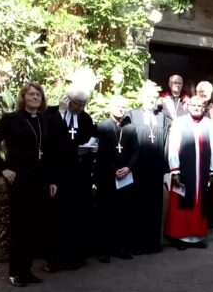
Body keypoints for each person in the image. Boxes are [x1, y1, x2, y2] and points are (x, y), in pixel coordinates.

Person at [0, 82, 57, 287]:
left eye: (39, 95)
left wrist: (51, 179)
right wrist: (3, 169)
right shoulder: (11, 119)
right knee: (20, 227)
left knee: (34, 227)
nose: (35, 97)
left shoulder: (44, 120)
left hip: (39, 180)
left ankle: (26, 270)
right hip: (19, 180)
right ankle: (15, 272)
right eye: (31, 94)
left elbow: (48, 153)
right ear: (23, 97)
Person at [42, 71, 98, 273]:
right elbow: (49, 142)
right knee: (57, 218)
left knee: (77, 217)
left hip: (79, 176)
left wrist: (92, 149)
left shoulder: (85, 119)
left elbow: (92, 139)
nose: (79, 108)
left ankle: (75, 256)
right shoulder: (52, 114)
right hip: (59, 175)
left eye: (82, 105)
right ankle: (54, 259)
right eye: (76, 104)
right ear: (68, 100)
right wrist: (63, 114)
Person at [165, 96, 213, 250]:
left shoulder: (209, 124)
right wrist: (175, 169)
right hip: (183, 170)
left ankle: (197, 237)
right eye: (194, 105)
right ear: (188, 106)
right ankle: (180, 237)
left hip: (202, 171)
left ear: (204, 107)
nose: (197, 108)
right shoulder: (179, 122)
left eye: (200, 105)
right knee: (182, 202)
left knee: (199, 202)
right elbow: (173, 145)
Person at [125, 84, 169, 254]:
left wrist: (165, 168)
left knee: (154, 205)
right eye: (148, 97)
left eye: (153, 97)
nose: (151, 100)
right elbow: (127, 141)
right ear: (142, 98)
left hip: (156, 169)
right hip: (137, 168)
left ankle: (152, 243)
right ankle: (136, 244)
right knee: (137, 205)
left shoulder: (162, 118)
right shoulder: (132, 115)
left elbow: (166, 142)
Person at [93, 96, 137, 263]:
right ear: (111, 106)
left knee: (123, 213)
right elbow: (100, 152)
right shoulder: (101, 126)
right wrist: (114, 169)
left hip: (126, 177)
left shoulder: (130, 128)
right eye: (118, 105)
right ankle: (104, 251)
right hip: (107, 176)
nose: (121, 108)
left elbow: (136, 150)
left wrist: (129, 167)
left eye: (123, 106)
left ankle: (121, 248)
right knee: (105, 214)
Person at [196, 81, 213, 229]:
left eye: (206, 91)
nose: (203, 93)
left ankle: (212, 220)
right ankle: (196, 218)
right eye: (200, 91)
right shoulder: (192, 109)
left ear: (211, 93)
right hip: (195, 156)